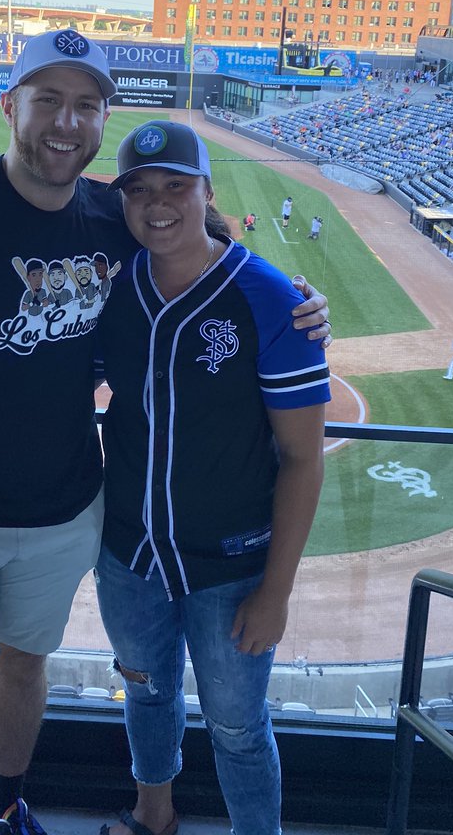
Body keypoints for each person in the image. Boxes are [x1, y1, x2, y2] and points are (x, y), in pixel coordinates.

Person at [0, 30, 332, 835]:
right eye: (48, 100)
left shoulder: (112, 216)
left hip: (71, 516)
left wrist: (289, 298)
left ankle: (3, 804)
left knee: (26, 670)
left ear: (102, 118)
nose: (66, 123)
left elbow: (201, 243)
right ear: (10, 106)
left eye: (85, 105)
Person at [95, 121, 330, 835]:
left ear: (207, 192)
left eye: (176, 186)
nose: (157, 203)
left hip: (232, 570)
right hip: (130, 557)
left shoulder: (268, 298)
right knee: (145, 695)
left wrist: (276, 592)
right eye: (139, 190)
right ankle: (152, 815)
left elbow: (301, 457)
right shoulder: (112, 288)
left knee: (236, 725)